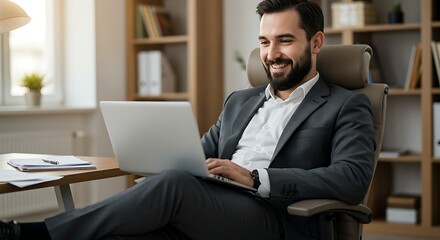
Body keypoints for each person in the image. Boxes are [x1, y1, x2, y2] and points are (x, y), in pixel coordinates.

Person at [0, 0, 375, 239]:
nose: (271, 54)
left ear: (316, 42)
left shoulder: (344, 105)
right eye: (264, 42)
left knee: (174, 187)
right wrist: (164, 165)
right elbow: (197, 154)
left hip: (279, 219)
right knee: (128, 231)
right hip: (214, 205)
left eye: (284, 40)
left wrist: (256, 178)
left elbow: (352, 180)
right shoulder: (239, 101)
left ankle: (28, 236)